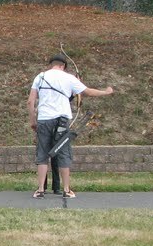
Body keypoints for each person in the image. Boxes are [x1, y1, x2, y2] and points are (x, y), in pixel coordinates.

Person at [28, 53, 114, 199]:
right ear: (63, 66)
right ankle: (66, 190)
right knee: (63, 151)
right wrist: (106, 92)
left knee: (42, 154)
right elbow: (88, 92)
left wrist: (32, 121)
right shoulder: (69, 78)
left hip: (44, 119)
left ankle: (40, 190)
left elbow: (30, 102)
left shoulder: (40, 77)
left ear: (51, 65)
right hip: (62, 121)